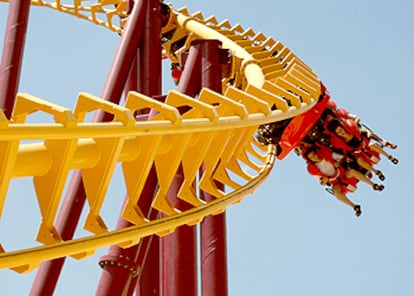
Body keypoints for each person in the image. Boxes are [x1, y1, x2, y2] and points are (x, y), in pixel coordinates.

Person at [303, 145, 384, 217]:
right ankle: (354, 206)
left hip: (342, 173)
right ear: (310, 159)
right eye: (311, 157)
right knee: (336, 192)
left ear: (316, 152)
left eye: (314, 154)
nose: (314, 157)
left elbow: (341, 158)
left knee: (352, 172)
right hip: (335, 181)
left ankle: (373, 185)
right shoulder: (312, 169)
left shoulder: (326, 153)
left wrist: (338, 163)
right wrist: (325, 180)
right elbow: (321, 182)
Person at [326, 118, 398, 181]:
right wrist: (347, 158)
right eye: (338, 132)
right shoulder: (340, 143)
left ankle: (389, 156)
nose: (341, 133)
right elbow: (345, 152)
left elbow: (365, 131)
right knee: (360, 160)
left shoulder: (352, 129)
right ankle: (376, 172)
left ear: (343, 128)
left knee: (372, 145)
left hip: (367, 147)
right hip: (361, 154)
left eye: (340, 130)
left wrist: (369, 133)